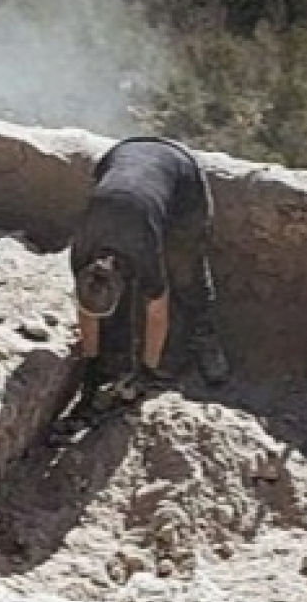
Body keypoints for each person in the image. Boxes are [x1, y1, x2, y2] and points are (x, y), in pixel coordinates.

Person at [69, 135, 229, 403]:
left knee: (184, 270)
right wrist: (91, 361)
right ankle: (112, 349)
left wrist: (147, 372)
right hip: (122, 159)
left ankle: (203, 336)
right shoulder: (82, 251)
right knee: (109, 330)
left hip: (181, 178)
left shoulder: (143, 253)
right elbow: (86, 310)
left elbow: (157, 314)